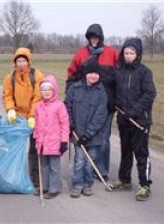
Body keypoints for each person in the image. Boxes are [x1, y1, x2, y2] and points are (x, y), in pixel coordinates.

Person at [66, 23, 118, 181]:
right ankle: (86, 169)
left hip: (106, 103)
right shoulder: (81, 53)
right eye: (91, 37)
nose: (93, 40)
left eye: (96, 37)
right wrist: (69, 95)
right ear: (88, 38)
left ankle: (101, 170)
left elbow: (119, 78)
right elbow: (72, 74)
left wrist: (115, 99)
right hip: (84, 103)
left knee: (103, 138)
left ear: (101, 37)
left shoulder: (111, 53)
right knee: (85, 135)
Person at [111, 38, 156, 201]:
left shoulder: (144, 72)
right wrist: (113, 103)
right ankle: (124, 180)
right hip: (123, 120)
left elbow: (149, 94)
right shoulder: (118, 71)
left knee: (141, 153)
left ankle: (145, 185)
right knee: (125, 152)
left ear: (138, 54)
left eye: (132, 53)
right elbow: (114, 91)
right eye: (126, 53)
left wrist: (134, 111)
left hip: (140, 121)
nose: (128, 56)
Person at [2, 47, 45, 188]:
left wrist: (32, 116)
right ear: (15, 62)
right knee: (14, 147)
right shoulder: (10, 77)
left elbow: (38, 97)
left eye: (23, 61)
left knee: (34, 148)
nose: (21, 64)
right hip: (18, 118)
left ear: (28, 62)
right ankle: (12, 174)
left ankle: (36, 177)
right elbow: (7, 95)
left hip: (34, 117)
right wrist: (10, 110)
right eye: (18, 61)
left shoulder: (37, 75)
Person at [64, 62, 107, 198]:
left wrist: (88, 135)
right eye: (90, 73)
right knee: (80, 161)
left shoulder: (101, 92)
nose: (93, 76)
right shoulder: (74, 88)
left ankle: (88, 184)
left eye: (96, 73)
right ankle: (77, 184)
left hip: (93, 136)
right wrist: (70, 123)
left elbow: (100, 116)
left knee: (90, 162)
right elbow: (67, 106)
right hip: (78, 133)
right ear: (85, 74)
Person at [33, 75, 69, 199]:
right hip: (42, 142)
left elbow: (65, 124)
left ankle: (55, 188)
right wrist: (35, 137)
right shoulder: (38, 106)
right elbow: (37, 123)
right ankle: (45, 186)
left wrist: (64, 141)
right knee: (44, 166)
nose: (46, 92)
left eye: (48, 90)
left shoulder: (59, 106)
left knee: (54, 167)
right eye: (43, 90)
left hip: (55, 142)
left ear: (54, 90)